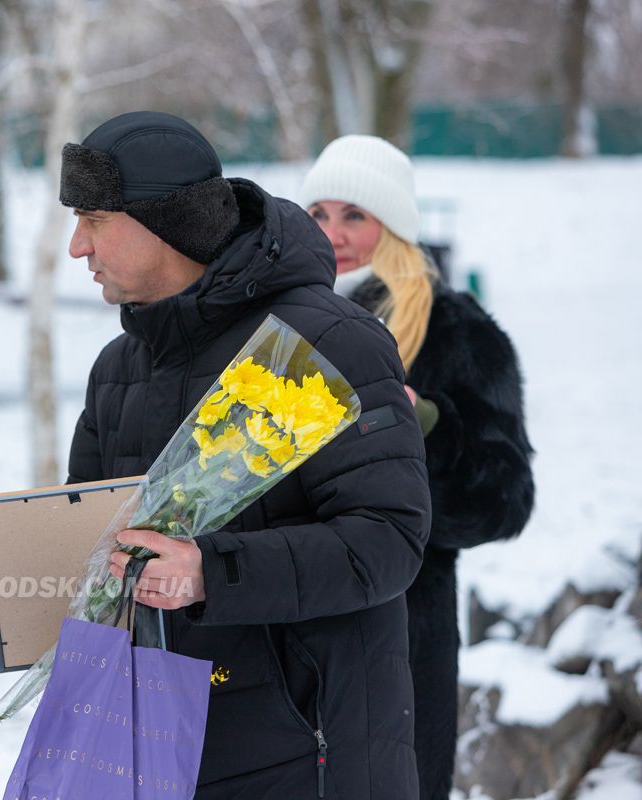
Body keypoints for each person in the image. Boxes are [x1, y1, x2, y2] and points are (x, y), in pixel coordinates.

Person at [62, 110, 432, 800]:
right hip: (153, 753)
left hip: (310, 756)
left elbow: (387, 541)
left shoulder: (330, 342)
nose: (77, 246)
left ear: (161, 220)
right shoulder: (118, 367)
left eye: (92, 219)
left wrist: (211, 571)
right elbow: (93, 545)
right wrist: (7, 607)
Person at [300, 134, 534, 800]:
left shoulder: (453, 331)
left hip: (403, 629)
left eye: (355, 215)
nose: (333, 233)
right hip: (291, 623)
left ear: (395, 227)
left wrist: (421, 419)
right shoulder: (283, 323)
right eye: (318, 213)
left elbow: (504, 498)